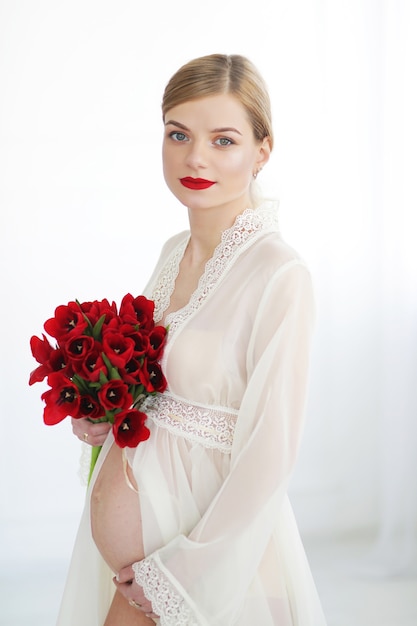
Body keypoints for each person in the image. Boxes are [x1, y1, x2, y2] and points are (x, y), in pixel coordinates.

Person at [59, 53, 327, 625]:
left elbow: (270, 451)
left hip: (211, 568)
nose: (195, 157)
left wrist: (184, 576)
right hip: (141, 566)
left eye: (223, 140)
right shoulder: (171, 254)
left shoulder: (281, 274)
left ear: (262, 150)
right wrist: (100, 411)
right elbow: (159, 390)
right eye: (178, 134)